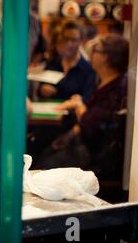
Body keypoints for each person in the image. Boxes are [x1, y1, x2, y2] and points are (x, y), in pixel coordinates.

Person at [36, 34, 129, 190]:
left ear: (106, 57)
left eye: (95, 50)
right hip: (85, 147)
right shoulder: (107, 82)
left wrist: (79, 105)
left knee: (43, 166)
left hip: (93, 156)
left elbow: (92, 125)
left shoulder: (116, 88)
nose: (91, 53)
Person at [39, 20, 97, 102]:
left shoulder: (88, 69)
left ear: (81, 41)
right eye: (66, 39)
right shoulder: (52, 63)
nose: (69, 44)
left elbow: (87, 98)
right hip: (50, 111)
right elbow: (41, 89)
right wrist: (43, 89)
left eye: (73, 40)